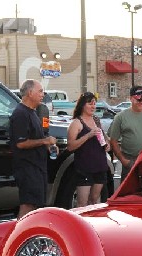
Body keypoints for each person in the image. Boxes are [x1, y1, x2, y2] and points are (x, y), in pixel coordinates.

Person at [9, 79, 58, 219]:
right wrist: (44, 141)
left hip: (38, 167)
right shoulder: (20, 114)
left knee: (36, 205)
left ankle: (30, 235)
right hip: (27, 168)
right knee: (28, 205)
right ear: (30, 93)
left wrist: (49, 145)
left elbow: (38, 137)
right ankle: (19, 236)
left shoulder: (34, 112)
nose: (43, 94)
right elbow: (21, 143)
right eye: (40, 91)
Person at [66, 92, 111, 207]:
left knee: (94, 201)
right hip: (84, 168)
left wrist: (107, 143)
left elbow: (103, 136)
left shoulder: (96, 120)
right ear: (82, 105)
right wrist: (87, 136)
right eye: (90, 103)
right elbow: (70, 146)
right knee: (82, 203)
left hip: (100, 166)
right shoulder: (76, 123)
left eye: (95, 104)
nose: (93, 106)